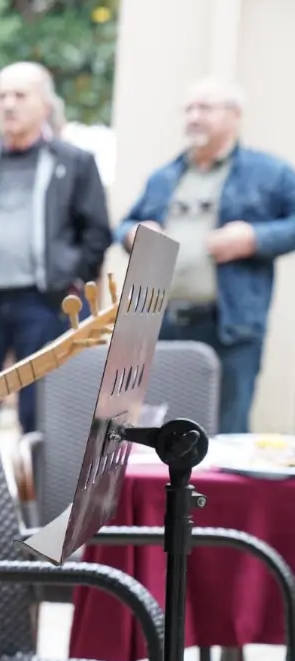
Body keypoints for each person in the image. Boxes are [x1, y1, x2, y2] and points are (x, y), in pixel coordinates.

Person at [0, 61, 111, 433]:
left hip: (45, 302)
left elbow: (96, 234)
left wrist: (69, 275)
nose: (9, 104)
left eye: (20, 95)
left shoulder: (74, 163)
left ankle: (41, 491)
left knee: (42, 411)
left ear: (45, 105)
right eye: (2, 96)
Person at [116, 78, 295, 434]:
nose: (194, 117)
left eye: (206, 108)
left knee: (225, 431)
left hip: (230, 326)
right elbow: (124, 224)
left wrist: (255, 237)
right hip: (161, 322)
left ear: (235, 116)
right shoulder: (165, 176)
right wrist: (132, 234)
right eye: (189, 109)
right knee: (162, 430)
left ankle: (222, 494)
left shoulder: (269, 172)